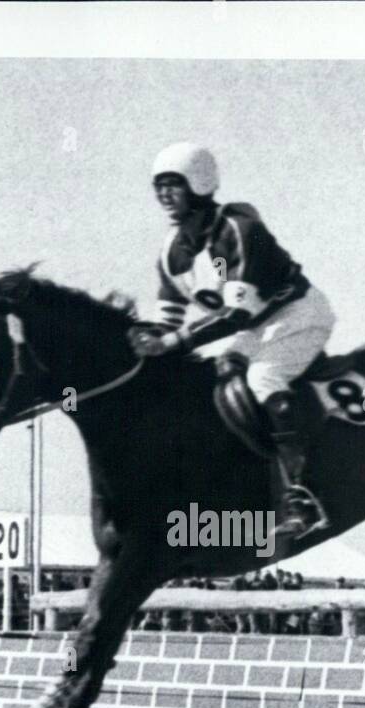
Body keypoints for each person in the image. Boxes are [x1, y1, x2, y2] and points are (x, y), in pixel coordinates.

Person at [128, 142, 337, 539]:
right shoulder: (172, 253)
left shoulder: (237, 230)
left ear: (198, 183)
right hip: (254, 327)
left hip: (297, 314)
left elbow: (237, 314)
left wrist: (171, 342)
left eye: (173, 184)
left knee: (262, 380)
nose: (164, 195)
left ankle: (304, 495)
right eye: (159, 186)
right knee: (219, 379)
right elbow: (168, 318)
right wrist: (141, 340)